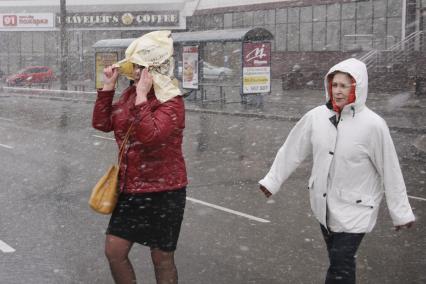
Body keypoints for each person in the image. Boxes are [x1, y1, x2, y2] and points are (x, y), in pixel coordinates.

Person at [259, 58, 415, 284]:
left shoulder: (373, 125)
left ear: (357, 88)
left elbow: (390, 170)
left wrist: (401, 212)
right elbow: (292, 149)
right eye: (335, 85)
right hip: (324, 207)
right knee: (339, 261)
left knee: (340, 263)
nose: (338, 91)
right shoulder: (316, 117)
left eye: (344, 86)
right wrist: (272, 181)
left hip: (357, 209)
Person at [92, 46, 187, 283]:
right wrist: (108, 89)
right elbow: (102, 123)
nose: (135, 72)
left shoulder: (172, 101)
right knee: (114, 252)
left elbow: (151, 136)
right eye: (134, 67)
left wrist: (143, 97)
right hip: (131, 189)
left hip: (165, 191)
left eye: (140, 67)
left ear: (154, 70)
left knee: (162, 258)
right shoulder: (129, 95)